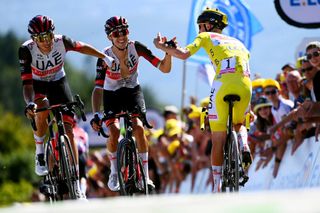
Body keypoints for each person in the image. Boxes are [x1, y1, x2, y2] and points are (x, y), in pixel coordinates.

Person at [153, 8, 252, 193]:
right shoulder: (239, 43)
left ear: (209, 25)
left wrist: (161, 47)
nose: (199, 30)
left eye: (200, 26)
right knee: (239, 123)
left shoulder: (206, 37)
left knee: (218, 139)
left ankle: (216, 185)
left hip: (223, 83)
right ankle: (244, 143)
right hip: (246, 84)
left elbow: (183, 54)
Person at [19, 15, 113, 199]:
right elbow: (27, 84)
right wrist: (30, 103)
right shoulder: (26, 50)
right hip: (38, 85)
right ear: (34, 39)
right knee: (42, 108)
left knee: (69, 129)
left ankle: (76, 183)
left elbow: (82, 47)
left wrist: (104, 57)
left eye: (48, 37)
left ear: (53, 34)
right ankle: (39, 152)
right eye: (40, 39)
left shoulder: (62, 42)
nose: (46, 42)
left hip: (58, 81)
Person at [90, 16, 172, 192]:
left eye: (124, 32)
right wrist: (96, 114)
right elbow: (97, 89)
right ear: (109, 37)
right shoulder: (104, 57)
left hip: (133, 91)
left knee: (139, 128)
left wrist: (168, 52)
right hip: (111, 94)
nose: (121, 36)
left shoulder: (137, 47)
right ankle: (114, 171)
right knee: (113, 131)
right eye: (116, 33)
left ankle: (144, 175)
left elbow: (165, 69)